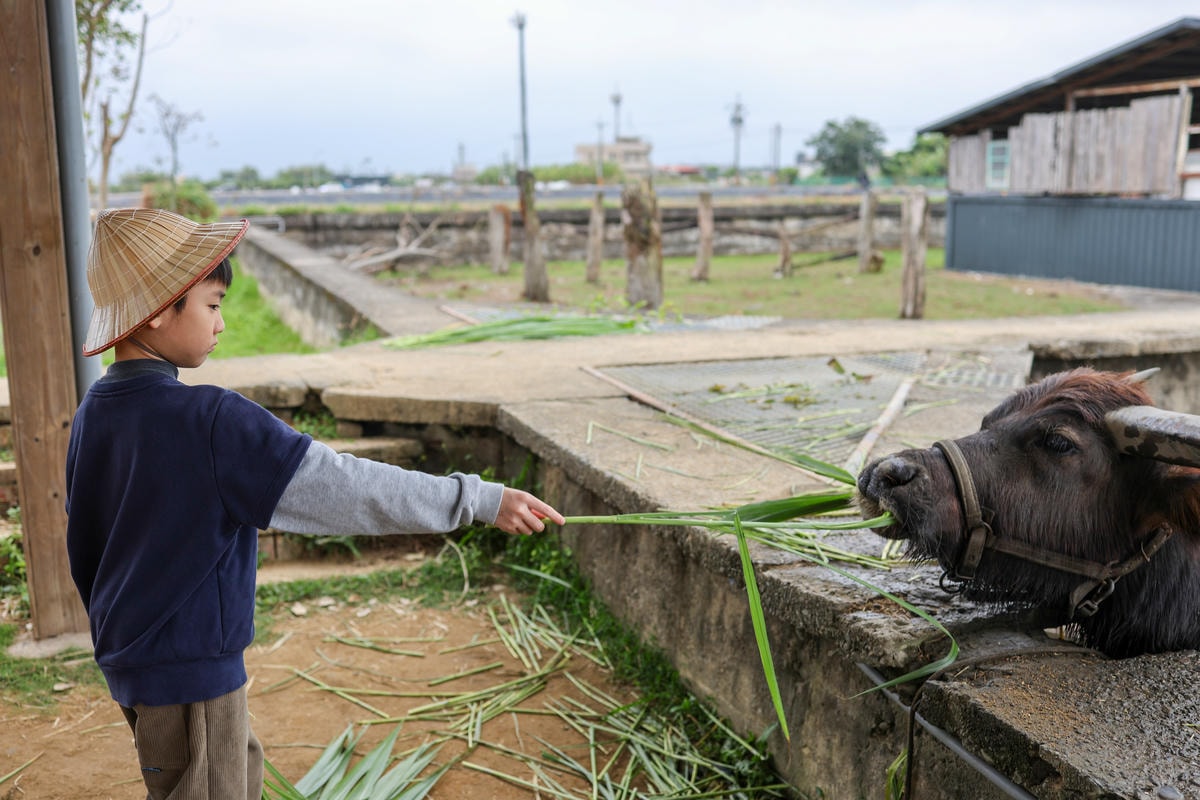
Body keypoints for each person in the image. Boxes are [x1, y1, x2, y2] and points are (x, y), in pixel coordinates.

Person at [65, 207, 565, 799]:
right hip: (191, 675)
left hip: (133, 664)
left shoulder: (94, 414)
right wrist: (476, 498)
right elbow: (347, 488)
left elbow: (85, 545)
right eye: (213, 305)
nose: (221, 323)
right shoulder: (212, 423)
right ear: (156, 311)